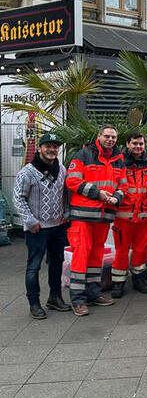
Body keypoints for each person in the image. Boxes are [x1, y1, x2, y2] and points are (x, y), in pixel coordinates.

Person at [65, 125, 127, 315]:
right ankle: (78, 300)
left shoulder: (118, 160)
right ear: (99, 136)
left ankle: (93, 293)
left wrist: (117, 196)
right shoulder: (83, 155)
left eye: (113, 137)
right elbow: (72, 181)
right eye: (107, 136)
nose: (110, 140)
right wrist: (98, 194)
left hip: (103, 216)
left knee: (96, 256)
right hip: (83, 216)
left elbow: (123, 185)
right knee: (81, 255)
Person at [14, 133, 71, 319]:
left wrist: (66, 213)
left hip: (57, 226)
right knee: (34, 267)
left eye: (55, 147)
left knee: (56, 264)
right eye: (48, 146)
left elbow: (66, 194)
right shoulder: (27, 172)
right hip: (36, 229)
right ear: (39, 148)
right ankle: (34, 303)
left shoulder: (61, 169)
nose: (52, 150)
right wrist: (30, 221)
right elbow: (18, 198)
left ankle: (55, 297)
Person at [110, 132, 147, 298]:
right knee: (121, 251)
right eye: (135, 143)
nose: (138, 147)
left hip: (145, 217)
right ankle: (118, 283)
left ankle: (138, 279)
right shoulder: (118, 163)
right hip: (123, 217)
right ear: (127, 144)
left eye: (141, 144)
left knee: (141, 250)